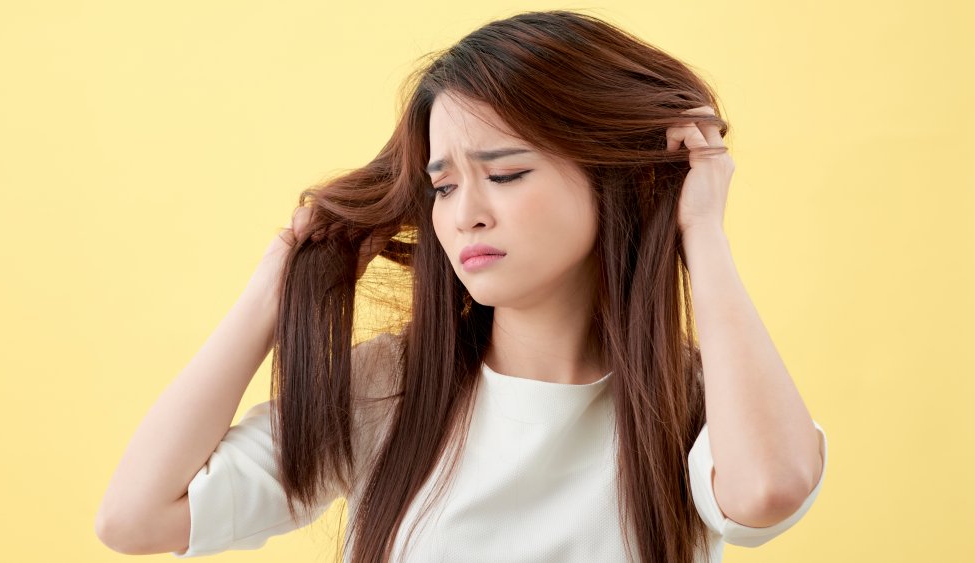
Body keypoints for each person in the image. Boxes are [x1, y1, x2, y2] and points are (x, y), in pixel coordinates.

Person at [95, 9, 828, 563]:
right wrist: (275, 289)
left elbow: (765, 492)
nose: (465, 214)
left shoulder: (700, 400)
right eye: (443, 187)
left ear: (617, 179)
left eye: (505, 174)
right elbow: (136, 516)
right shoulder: (392, 390)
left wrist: (698, 229)